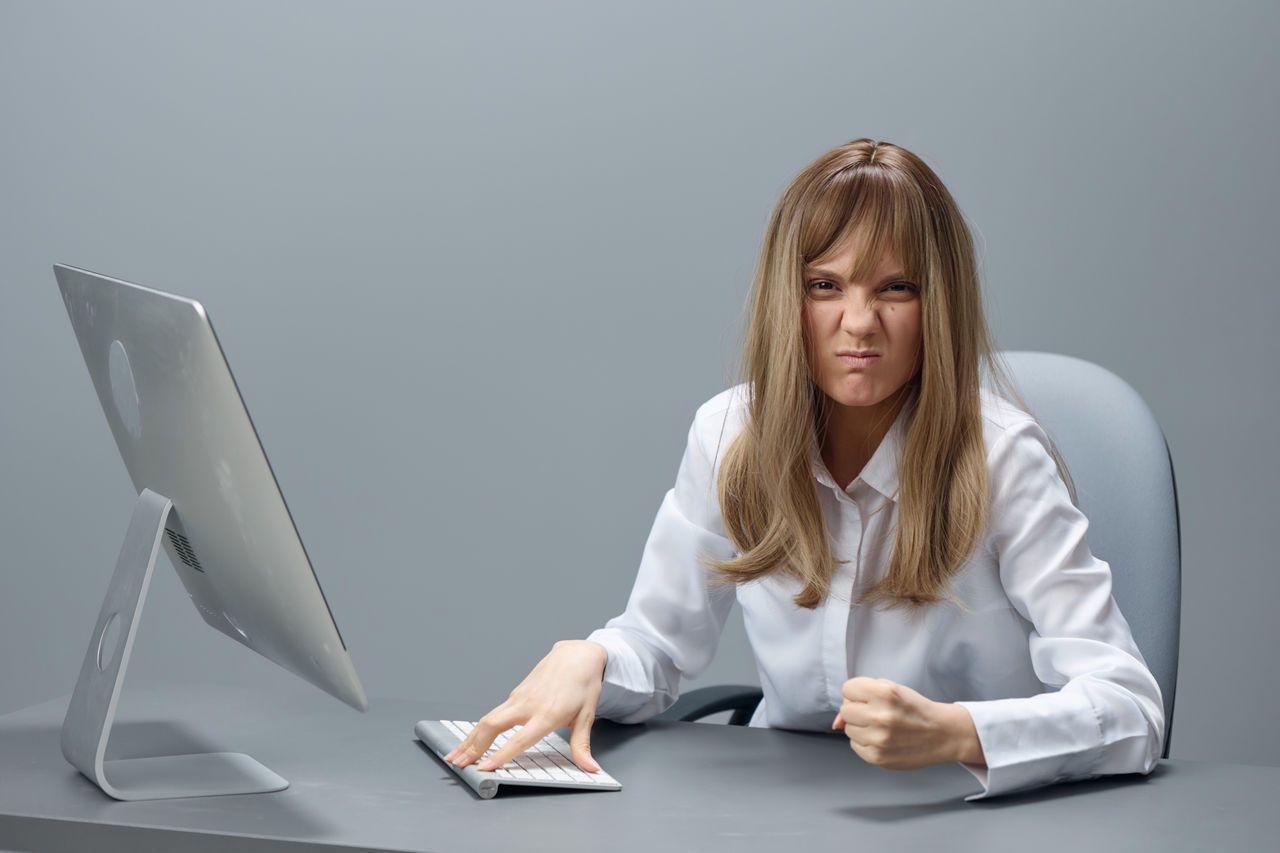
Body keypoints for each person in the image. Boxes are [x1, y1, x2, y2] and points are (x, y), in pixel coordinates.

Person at [445, 139, 1164, 798]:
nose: (858, 323)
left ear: (937, 304)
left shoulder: (1002, 456)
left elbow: (1132, 708)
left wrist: (958, 731)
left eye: (895, 288)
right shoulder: (731, 434)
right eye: (825, 286)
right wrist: (593, 658)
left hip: (960, 811)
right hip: (781, 812)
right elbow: (656, 644)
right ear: (787, 299)